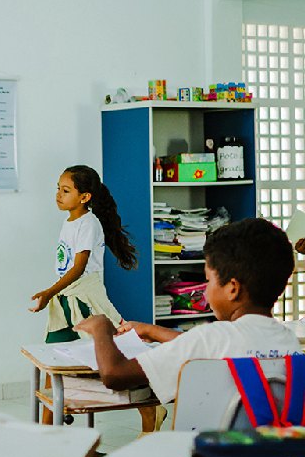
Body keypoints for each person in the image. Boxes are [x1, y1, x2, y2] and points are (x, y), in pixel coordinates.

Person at [75, 217, 302, 405]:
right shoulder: (288, 341)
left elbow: (115, 375)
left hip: (210, 446)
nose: (205, 291)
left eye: (208, 280)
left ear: (232, 289)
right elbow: (207, 346)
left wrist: (101, 327)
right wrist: (151, 331)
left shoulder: (212, 338)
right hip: (276, 445)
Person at [29, 165, 137, 341]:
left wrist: (49, 292)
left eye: (66, 191)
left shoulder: (88, 224)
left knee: (98, 346)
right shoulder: (70, 222)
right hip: (67, 292)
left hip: (83, 295)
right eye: (58, 188)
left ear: (85, 197)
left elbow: (79, 268)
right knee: (56, 345)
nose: (58, 195)